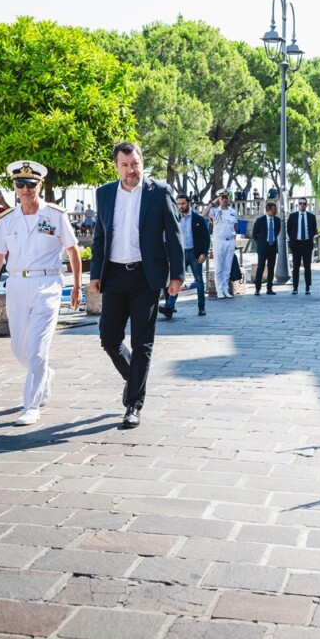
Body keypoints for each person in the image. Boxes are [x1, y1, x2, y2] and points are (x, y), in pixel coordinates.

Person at [89, 142, 183, 429]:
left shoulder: (160, 192)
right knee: (108, 338)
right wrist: (95, 273)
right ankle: (134, 383)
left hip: (146, 276)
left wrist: (177, 275)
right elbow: (100, 237)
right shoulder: (104, 193)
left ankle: (134, 404)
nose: (131, 170)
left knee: (142, 343)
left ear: (142, 162)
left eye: (135, 163)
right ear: (116, 166)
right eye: (125, 165)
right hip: (114, 276)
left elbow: (174, 234)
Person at [0, 161, 81, 425]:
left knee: (37, 349)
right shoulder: (7, 220)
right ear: (14, 187)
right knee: (18, 348)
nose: (25, 189)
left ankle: (31, 405)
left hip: (47, 284)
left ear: (39, 186)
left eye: (30, 184)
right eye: (19, 184)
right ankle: (44, 374)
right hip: (16, 285)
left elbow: (72, 250)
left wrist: (78, 286)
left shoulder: (55, 215)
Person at [161, 194, 209, 319]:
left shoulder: (198, 219)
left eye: (183, 203)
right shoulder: (175, 219)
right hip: (179, 254)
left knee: (199, 281)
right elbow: (169, 237)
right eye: (178, 204)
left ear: (189, 203)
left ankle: (201, 307)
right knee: (176, 279)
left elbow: (206, 237)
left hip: (194, 253)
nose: (180, 206)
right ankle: (169, 307)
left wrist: (204, 253)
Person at [207, 189, 239, 299]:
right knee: (219, 267)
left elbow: (235, 227)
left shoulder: (233, 211)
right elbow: (204, 214)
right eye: (222, 197)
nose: (224, 199)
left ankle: (225, 290)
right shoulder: (215, 211)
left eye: (226, 197)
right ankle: (219, 290)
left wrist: (234, 241)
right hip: (219, 241)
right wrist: (213, 202)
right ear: (219, 199)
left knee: (227, 268)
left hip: (230, 241)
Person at [250, 201, 281, 295]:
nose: (276, 211)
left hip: (272, 247)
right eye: (274, 209)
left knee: (271, 268)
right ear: (269, 210)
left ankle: (269, 288)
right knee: (260, 267)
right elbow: (254, 234)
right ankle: (257, 288)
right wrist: (261, 242)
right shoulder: (260, 220)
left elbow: (277, 232)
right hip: (263, 247)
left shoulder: (277, 220)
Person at [287, 198, 317, 295]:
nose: (302, 205)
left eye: (304, 204)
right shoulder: (292, 216)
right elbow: (289, 230)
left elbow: (314, 230)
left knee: (307, 267)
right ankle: (295, 287)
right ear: (298, 205)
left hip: (307, 244)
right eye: (300, 203)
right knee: (296, 267)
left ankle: (308, 287)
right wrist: (293, 240)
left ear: (306, 205)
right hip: (296, 244)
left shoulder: (311, 217)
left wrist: (310, 238)